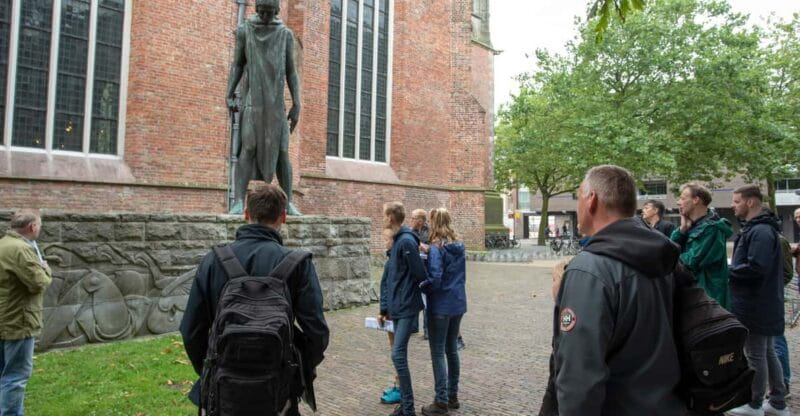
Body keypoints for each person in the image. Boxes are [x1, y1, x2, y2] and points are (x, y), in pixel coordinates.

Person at [180, 184, 329, 415]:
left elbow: (191, 330)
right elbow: (317, 333)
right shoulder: (299, 265)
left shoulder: (213, 260)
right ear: (283, 216)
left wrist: (214, 369)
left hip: (223, 395)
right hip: (278, 396)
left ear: (246, 213)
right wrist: (292, 373)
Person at [550, 165, 685, 416]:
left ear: (591, 200)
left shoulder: (590, 269)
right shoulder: (664, 256)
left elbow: (580, 375)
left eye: (578, 197)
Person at [226, 0, 302, 215]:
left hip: (276, 103)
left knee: (283, 152)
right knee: (248, 147)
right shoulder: (246, 31)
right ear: (256, 9)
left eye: (270, 13)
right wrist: (229, 92)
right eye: (262, 12)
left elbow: (291, 71)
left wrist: (297, 102)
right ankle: (238, 201)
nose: (266, 17)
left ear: (277, 11)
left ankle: (288, 202)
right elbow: (238, 64)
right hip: (254, 100)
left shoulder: (285, 34)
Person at [726, 185, 788, 416]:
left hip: (755, 303)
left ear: (750, 202)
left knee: (755, 353)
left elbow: (756, 267)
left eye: (736, 201)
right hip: (763, 302)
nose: (733, 206)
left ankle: (754, 403)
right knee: (767, 351)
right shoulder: (762, 229)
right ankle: (778, 402)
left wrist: (729, 270)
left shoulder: (760, 231)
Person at [0, 210, 52, 416]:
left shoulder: (3, 244)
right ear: (32, 227)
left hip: (5, 317)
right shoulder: (21, 249)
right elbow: (39, 283)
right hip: (18, 321)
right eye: (39, 225)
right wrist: (45, 268)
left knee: (4, 373)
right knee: (15, 376)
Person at [378, 202, 427, 416]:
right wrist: (385, 308)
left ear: (390, 217)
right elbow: (389, 278)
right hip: (397, 306)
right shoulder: (398, 241)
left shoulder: (406, 241)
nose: (383, 219)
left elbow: (420, 273)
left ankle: (408, 408)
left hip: (406, 306)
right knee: (398, 354)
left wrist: (406, 291)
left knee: (397, 355)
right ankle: (406, 407)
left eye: (384, 215)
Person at [418, 208, 467, 416]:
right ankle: (452, 395)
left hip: (440, 305)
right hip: (457, 302)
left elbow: (436, 277)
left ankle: (440, 401)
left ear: (433, 222)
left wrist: (421, 286)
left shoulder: (437, 248)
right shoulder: (458, 246)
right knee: (451, 350)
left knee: (437, 352)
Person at [670, 183, 733, 309]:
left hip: (709, 299)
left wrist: (667, 259)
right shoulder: (691, 226)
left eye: (682, 198)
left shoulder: (712, 229)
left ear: (696, 200)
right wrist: (682, 229)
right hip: (694, 295)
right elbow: (670, 248)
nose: (678, 202)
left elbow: (690, 261)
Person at [409, 209, 430, 337]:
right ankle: (413, 326)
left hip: (427, 268)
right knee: (414, 296)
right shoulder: (409, 232)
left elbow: (434, 247)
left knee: (426, 298)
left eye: (413, 218)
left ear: (421, 220)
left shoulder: (431, 231)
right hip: (414, 268)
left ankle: (427, 329)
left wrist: (423, 246)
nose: (411, 220)